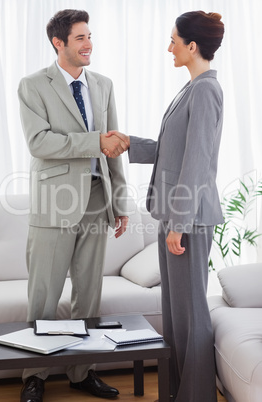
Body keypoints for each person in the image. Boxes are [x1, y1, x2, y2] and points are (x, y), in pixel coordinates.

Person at [105, 10, 225, 402]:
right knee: (174, 317)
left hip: (186, 219)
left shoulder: (206, 89)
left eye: (173, 40)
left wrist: (179, 222)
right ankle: (175, 394)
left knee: (191, 315)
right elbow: (172, 150)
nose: (168, 47)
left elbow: (197, 160)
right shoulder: (190, 89)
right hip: (174, 216)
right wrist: (130, 143)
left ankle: (197, 396)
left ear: (192, 46)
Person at [18, 9, 128, 402]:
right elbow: (40, 143)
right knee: (45, 295)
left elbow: (113, 146)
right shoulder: (33, 85)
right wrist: (94, 142)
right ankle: (35, 375)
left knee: (88, 293)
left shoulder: (103, 84)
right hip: (54, 203)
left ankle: (84, 371)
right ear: (58, 43)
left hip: (98, 201)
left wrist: (120, 201)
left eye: (90, 36)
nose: (88, 45)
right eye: (80, 38)